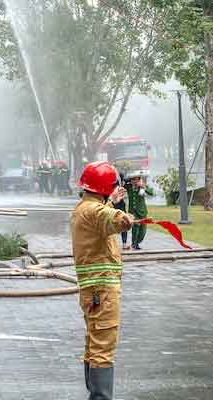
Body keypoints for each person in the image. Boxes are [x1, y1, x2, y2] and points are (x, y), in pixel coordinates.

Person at [72, 161, 134, 400]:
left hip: (93, 290)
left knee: (93, 341)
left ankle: (94, 395)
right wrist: (123, 215)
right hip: (103, 290)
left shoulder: (84, 208)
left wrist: (111, 200)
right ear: (104, 188)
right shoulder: (94, 212)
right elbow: (114, 220)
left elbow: (99, 214)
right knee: (103, 346)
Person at [124, 172, 154, 250]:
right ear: (131, 181)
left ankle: (138, 241)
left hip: (142, 211)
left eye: (137, 179)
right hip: (133, 212)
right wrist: (129, 179)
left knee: (143, 230)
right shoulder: (129, 187)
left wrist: (143, 186)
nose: (135, 181)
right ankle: (134, 243)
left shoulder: (143, 187)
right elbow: (123, 182)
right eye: (134, 180)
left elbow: (151, 193)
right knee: (135, 228)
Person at [113, 173, 130, 250]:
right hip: (114, 207)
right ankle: (114, 243)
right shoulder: (115, 185)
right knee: (114, 225)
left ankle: (124, 243)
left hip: (121, 207)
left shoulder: (123, 185)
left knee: (124, 224)